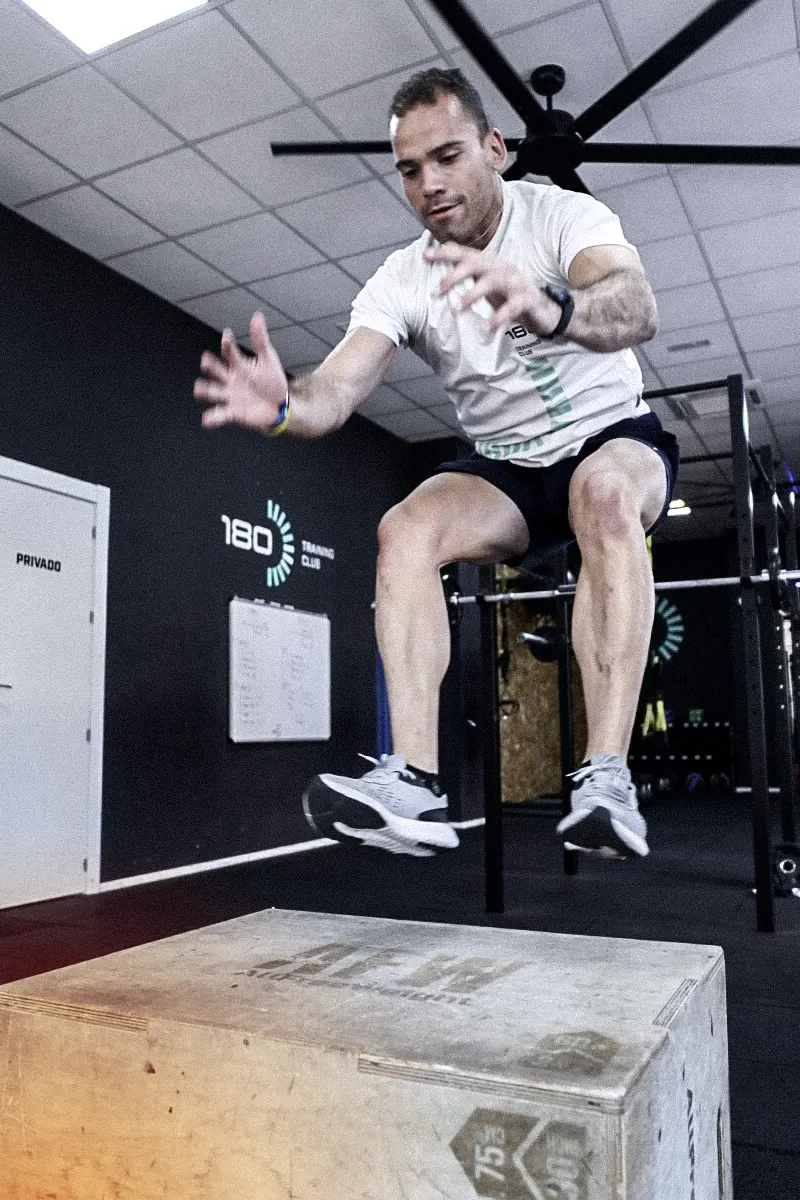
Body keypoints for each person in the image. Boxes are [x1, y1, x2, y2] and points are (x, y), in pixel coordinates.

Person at [195, 68, 678, 861]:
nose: (429, 184)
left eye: (447, 157)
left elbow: (638, 308)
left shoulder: (563, 216)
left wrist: (552, 306)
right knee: (405, 527)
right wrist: (286, 405)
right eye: (410, 169)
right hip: (510, 475)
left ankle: (606, 775)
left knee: (602, 493)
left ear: (495, 148)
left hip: (612, 439)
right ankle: (413, 780)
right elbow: (338, 389)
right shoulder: (404, 278)